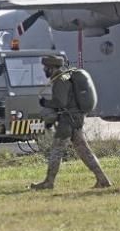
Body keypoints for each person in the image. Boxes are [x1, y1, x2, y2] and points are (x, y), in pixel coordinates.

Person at [30, 55, 111, 190]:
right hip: (76, 120)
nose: (44, 70)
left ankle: (49, 182)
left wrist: (45, 103)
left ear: (52, 68)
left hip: (67, 122)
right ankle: (103, 180)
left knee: (56, 150)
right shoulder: (65, 78)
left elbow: (60, 102)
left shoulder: (60, 81)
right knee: (85, 151)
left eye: (46, 68)